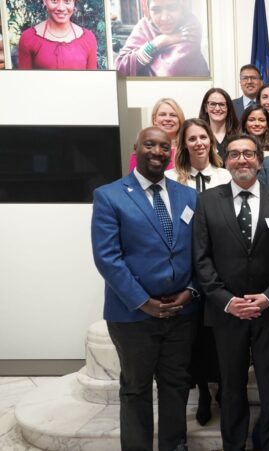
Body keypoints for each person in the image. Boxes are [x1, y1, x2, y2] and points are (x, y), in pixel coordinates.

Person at [91, 127, 199, 451]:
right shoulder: (110, 196)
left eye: (164, 146)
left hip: (181, 313)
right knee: (136, 389)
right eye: (149, 144)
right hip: (132, 316)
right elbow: (108, 259)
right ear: (136, 149)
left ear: (171, 152)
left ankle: (174, 446)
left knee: (175, 385)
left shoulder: (188, 196)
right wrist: (144, 302)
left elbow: (199, 250)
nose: (157, 151)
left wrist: (192, 290)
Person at [193, 134, 269, 451]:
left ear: (260, 161)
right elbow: (201, 258)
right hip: (227, 313)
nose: (242, 160)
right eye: (235, 154)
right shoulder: (207, 201)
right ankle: (234, 444)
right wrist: (226, 301)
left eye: (249, 154)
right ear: (225, 160)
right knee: (232, 385)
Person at [164, 118, 229, 425]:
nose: (200, 143)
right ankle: (202, 389)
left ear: (211, 141)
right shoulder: (170, 179)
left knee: (217, 335)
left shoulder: (225, 175)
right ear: (184, 144)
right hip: (187, 269)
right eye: (193, 138)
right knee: (194, 337)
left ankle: (221, 387)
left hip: (220, 267)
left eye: (204, 137)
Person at [115, 0, 209, 77]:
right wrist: (159, 42)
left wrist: (140, 58)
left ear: (182, 7)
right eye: (156, 10)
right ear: (147, 9)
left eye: (172, 8)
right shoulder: (144, 26)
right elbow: (120, 68)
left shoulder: (190, 27)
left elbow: (170, 72)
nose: (164, 18)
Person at [17, 0, 98, 69]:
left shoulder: (88, 39)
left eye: (67, 1)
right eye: (54, 1)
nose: (61, 8)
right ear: (45, 1)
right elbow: (25, 82)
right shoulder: (28, 38)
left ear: (74, 2)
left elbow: (92, 81)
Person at [128, 98, 184, 172]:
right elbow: (133, 181)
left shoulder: (187, 149)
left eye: (173, 115)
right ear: (155, 120)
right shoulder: (141, 150)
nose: (168, 119)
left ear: (179, 120)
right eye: (162, 114)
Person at [198, 88, 240, 161]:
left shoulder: (239, 135)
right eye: (213, 104)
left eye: (222, 104)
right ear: (205, 108)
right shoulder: (198, 136)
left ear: (228, 108)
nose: (217, 108)